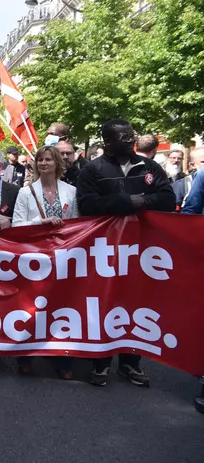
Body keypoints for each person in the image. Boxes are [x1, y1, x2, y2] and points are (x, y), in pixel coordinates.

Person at [77, 119, 175, 387]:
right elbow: (87, 205)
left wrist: (144, 201)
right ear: (108, 142)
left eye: (131, 135)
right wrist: (123, 202)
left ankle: (131, 363)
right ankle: (101, 362)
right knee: (106, 303)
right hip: (105, 251)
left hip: (142, 251)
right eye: (123, 137)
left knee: (137, 304)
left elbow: (168, 199)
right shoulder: (92, 170)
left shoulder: (150, 167)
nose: (131, 140)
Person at [12, 145, 79, 379]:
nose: (43, 163)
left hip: (62, 258)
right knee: (31, 308)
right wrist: (39, 223)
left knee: (62, 307)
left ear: (57, 162)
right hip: (34, 258)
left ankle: (63, 359)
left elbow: (77, 224)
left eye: (48, 159)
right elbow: (16, 225)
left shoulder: (71, 191)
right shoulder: (25, 192)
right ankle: (25, 357)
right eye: (40, 160)